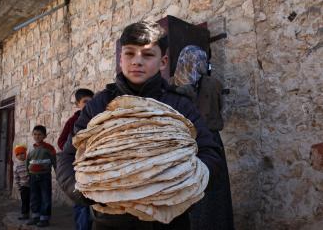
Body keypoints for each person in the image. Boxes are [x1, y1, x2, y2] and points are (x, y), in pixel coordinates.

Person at [56, 21, 222, 230]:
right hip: (111, 222)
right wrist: (83, 191)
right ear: (120, 58)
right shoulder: (99, 104)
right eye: (130, 53)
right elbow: (68, 155)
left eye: (147, 54)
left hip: (170, 222)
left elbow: (209, 152)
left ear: (163, 61)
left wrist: (186, 187)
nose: (137, 61)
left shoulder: (181, 104)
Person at [172, 45, 234, 230]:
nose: (202, 64)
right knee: (200, 191)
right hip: (194, 143)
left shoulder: (175, 84)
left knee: (211, 190)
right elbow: (221, 108)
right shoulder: (210, 83)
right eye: (200, 60)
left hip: (196, 142)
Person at [58, 88, 94, 230]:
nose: (89, 104)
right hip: (78, 167)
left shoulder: (97, 117)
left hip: (93, 165)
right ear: (77, 104)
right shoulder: (73, 121)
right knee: (81, 203)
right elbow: (61, 142)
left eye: (91, 102)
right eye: (85, 102)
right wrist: (75, 151)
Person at [26, 125, 56, 227]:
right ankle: (35, 216)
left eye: (39, 134)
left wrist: (58, 173)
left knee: (45, 197)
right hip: (33, 177)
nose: (37, 136)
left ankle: (44, 218)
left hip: (45, 177)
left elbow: (54, 162)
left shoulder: (49, 148)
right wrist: (27, 175)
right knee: (34, 197)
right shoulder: (30, 149)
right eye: (35, 134)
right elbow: (27, 162)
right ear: (32, 135)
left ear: (44, 136)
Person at [13, 144, 30, 220]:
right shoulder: (16, 166)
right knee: (24, 201)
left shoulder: (28, 163)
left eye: (22, 153)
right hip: (23, 186)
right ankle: (24, 214)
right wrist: (18, 187)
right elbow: (16, 178)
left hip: (32, 185)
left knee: (33, 200)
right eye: (18, 154)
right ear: (16, 156)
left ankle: (35, 214)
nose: (20, 156)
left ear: (25, 154)